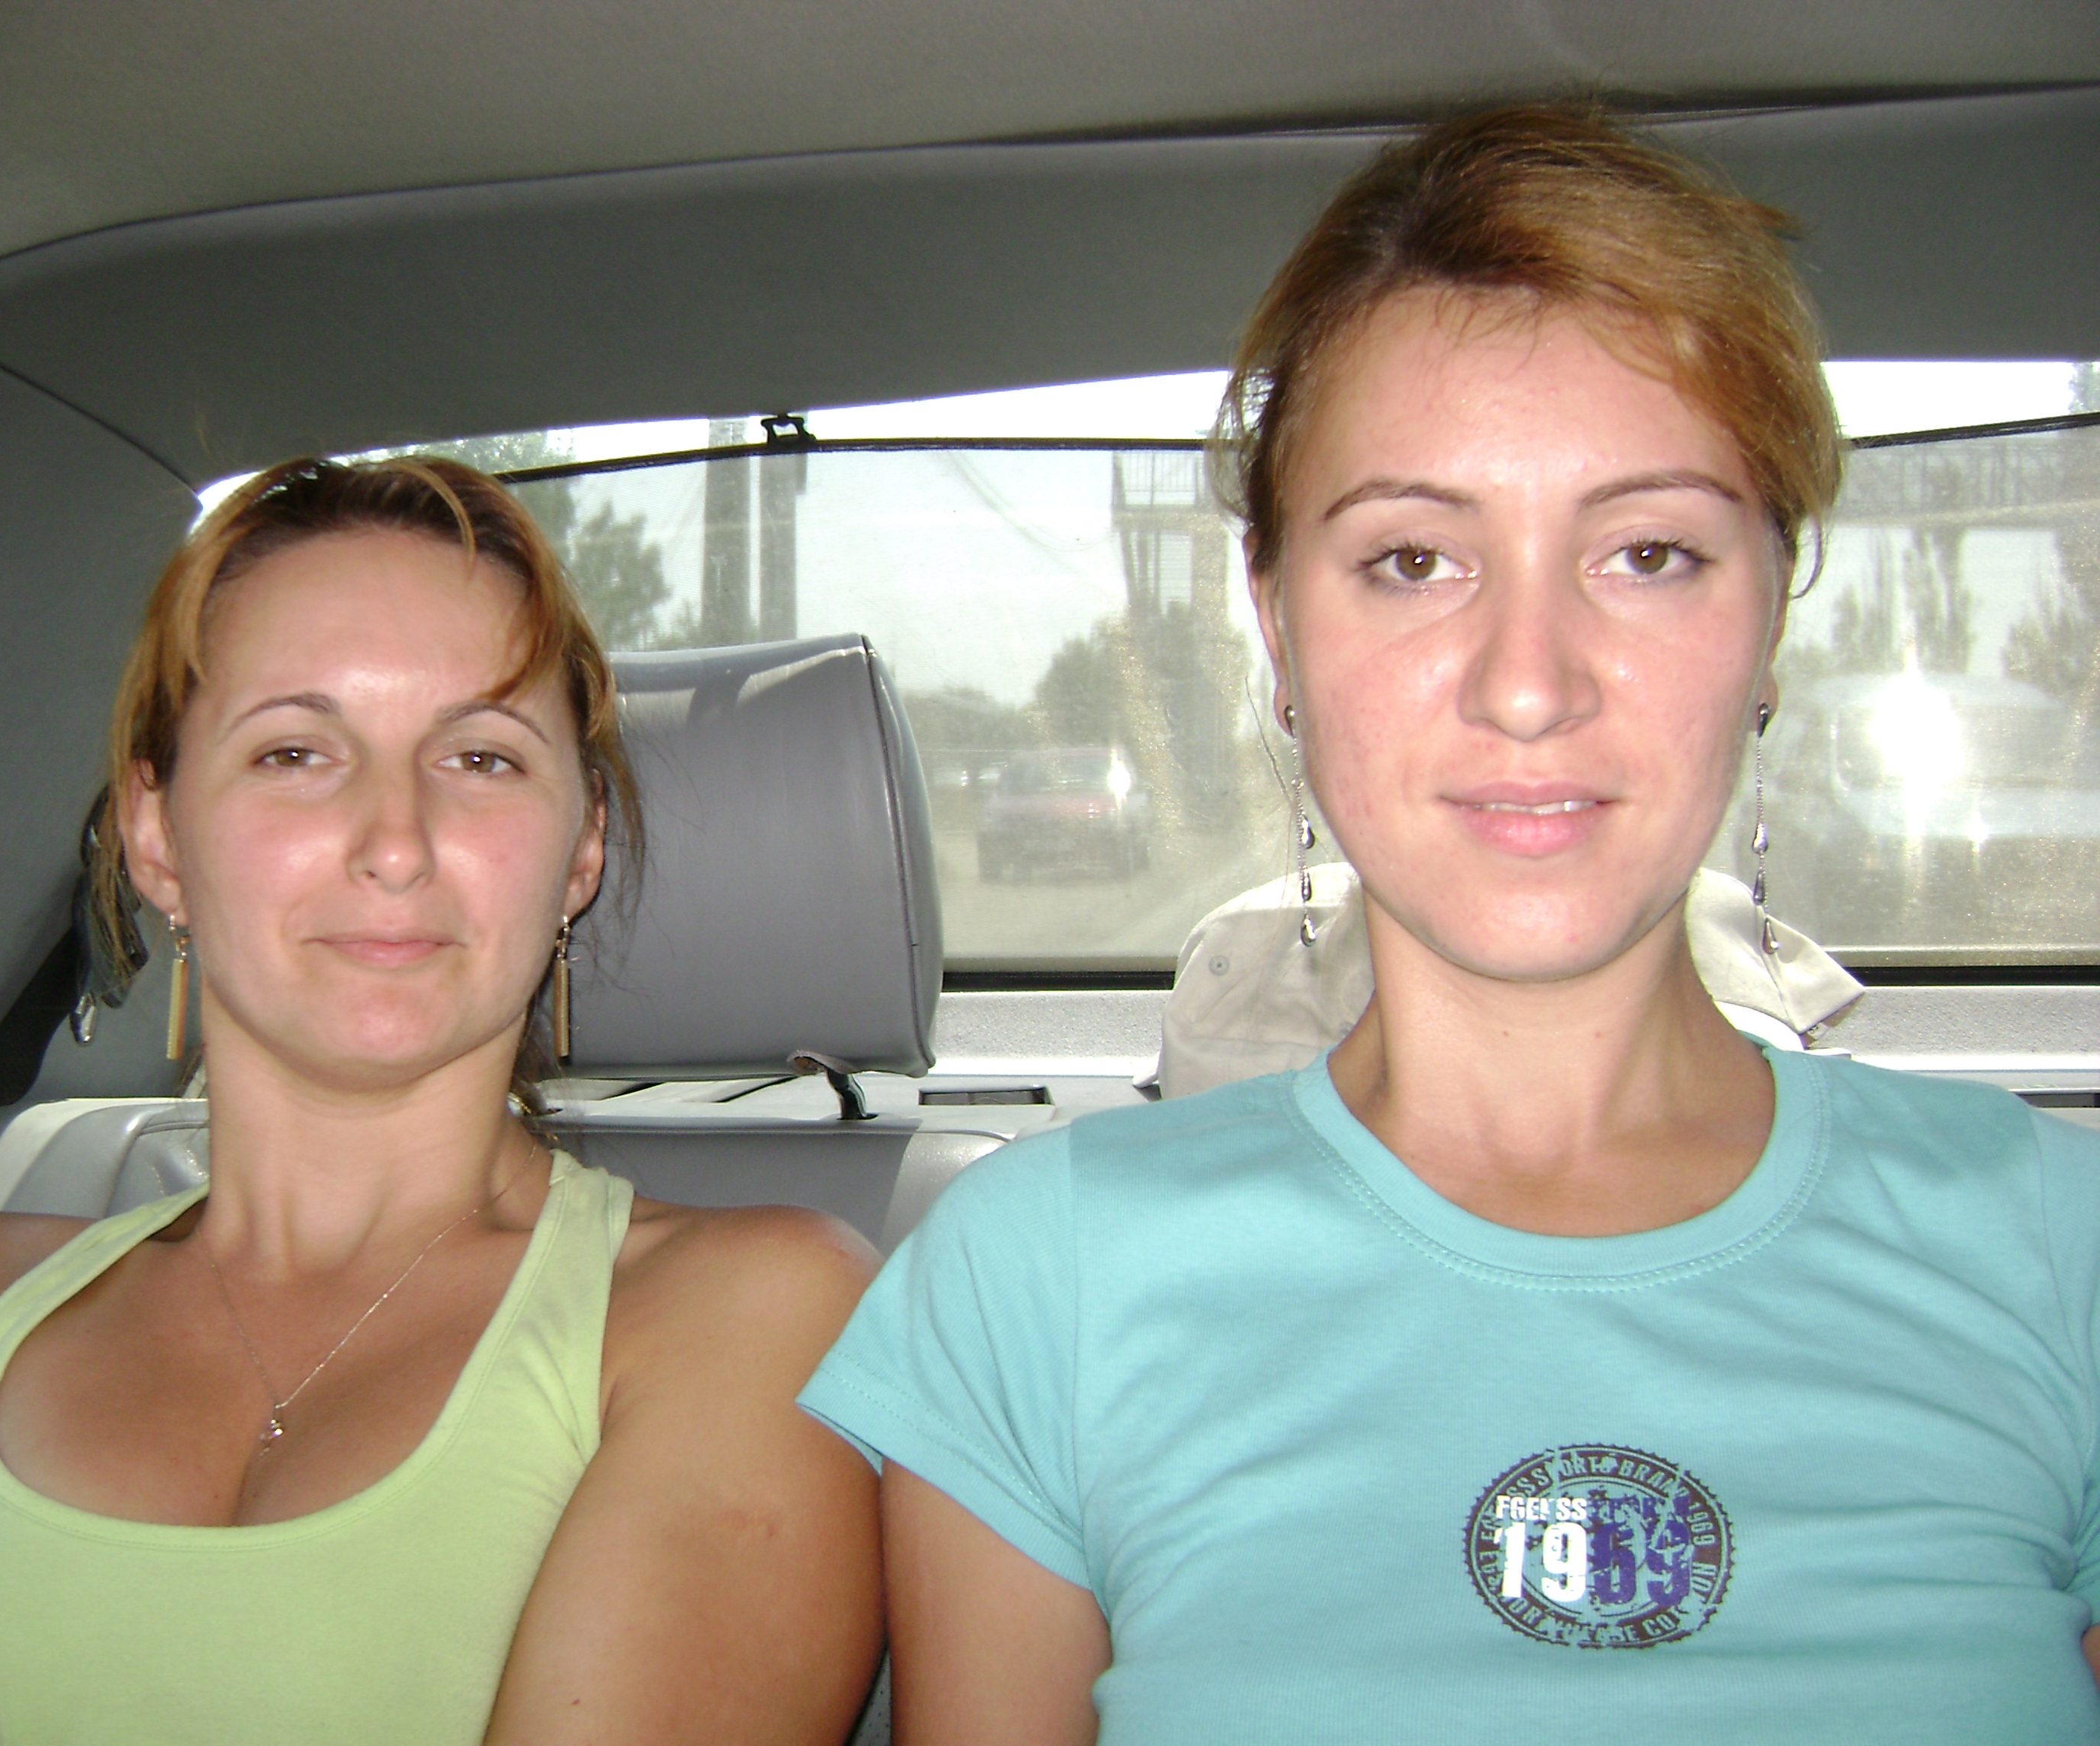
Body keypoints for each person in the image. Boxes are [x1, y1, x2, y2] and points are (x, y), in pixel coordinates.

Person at [799, 107, 2100, 1743]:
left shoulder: (2063, 1250)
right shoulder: (1034, 1280)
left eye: (1649, 553)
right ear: (1279, 627)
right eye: (1413, 560)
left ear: (1773, 612)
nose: (1528, 683)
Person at [0, 458, 883, 1745]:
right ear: (157, 837)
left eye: (481, 757)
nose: (395, 842)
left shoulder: (754, 1312)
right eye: (295, 753)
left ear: (580, 850)